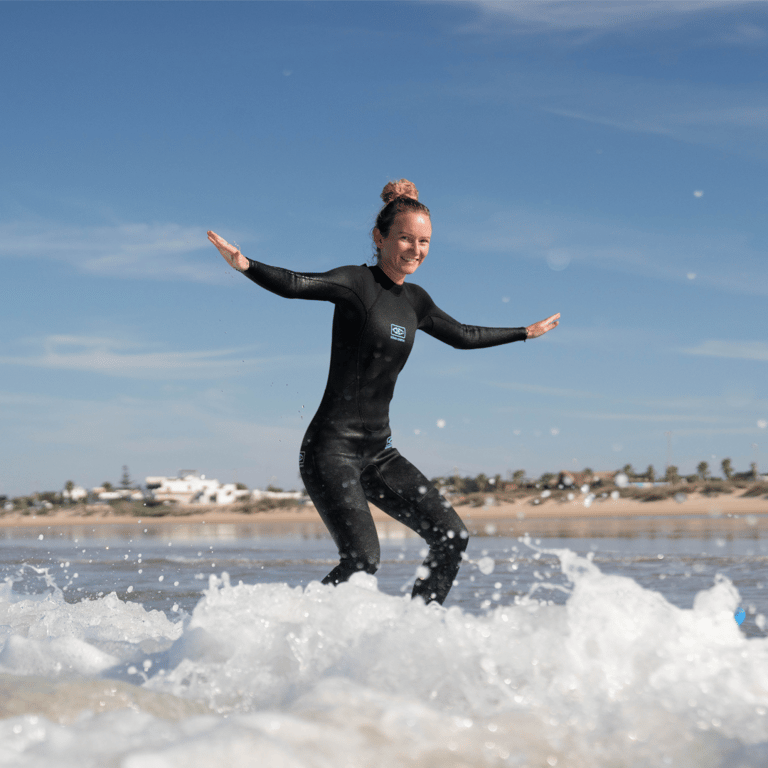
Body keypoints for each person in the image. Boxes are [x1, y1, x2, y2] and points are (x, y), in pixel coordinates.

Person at [208, 179, 559, 605]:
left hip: (380, 452)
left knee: (452, 536)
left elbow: (463, 335)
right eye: (406, 238)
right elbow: (299, 284)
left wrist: (523, 332)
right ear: (380, 237)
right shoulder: (357, 283)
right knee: (362, 561)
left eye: (424, 241)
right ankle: (292, 626)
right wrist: (246, 265)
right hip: (330, 451)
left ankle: (419, 626)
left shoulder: (416, 301)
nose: (416, 249)